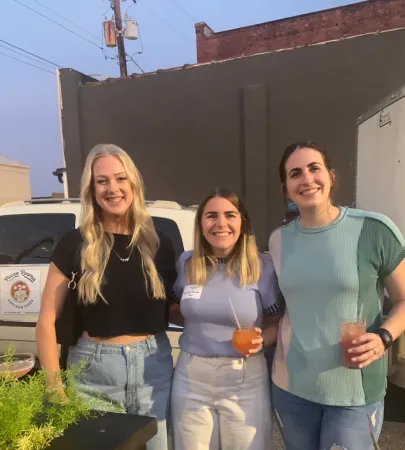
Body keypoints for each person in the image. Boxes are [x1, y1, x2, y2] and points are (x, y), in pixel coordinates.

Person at [269, 141, 405, 450]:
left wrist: (383, 338)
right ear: (286, 188)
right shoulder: (278, 240)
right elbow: (291, 306)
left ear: (331, 176)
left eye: (314, 169)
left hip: (353, 393)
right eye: (295, 173)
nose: (307, 179)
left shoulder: (374, 229)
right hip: (290, 388)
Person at [36, 143, 175, 450]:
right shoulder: (75, 244)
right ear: (91, 189)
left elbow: (175, 309)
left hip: (154, 371)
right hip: (93, 374)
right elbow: (46, 320)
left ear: (134, 184)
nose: (113, 188)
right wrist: (54, 385)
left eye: (120, 178)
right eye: (102, 181)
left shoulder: (159, 244)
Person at [170, 187, 282, 450]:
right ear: (201, 224)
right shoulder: (187, 263)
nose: (221, 224)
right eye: (211, 216)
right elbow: (176, 308)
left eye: (230, 215)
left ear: (242, 222)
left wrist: (262, 340)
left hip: (244, 380)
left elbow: (277, 322)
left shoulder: (262, 266)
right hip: (191, 378)